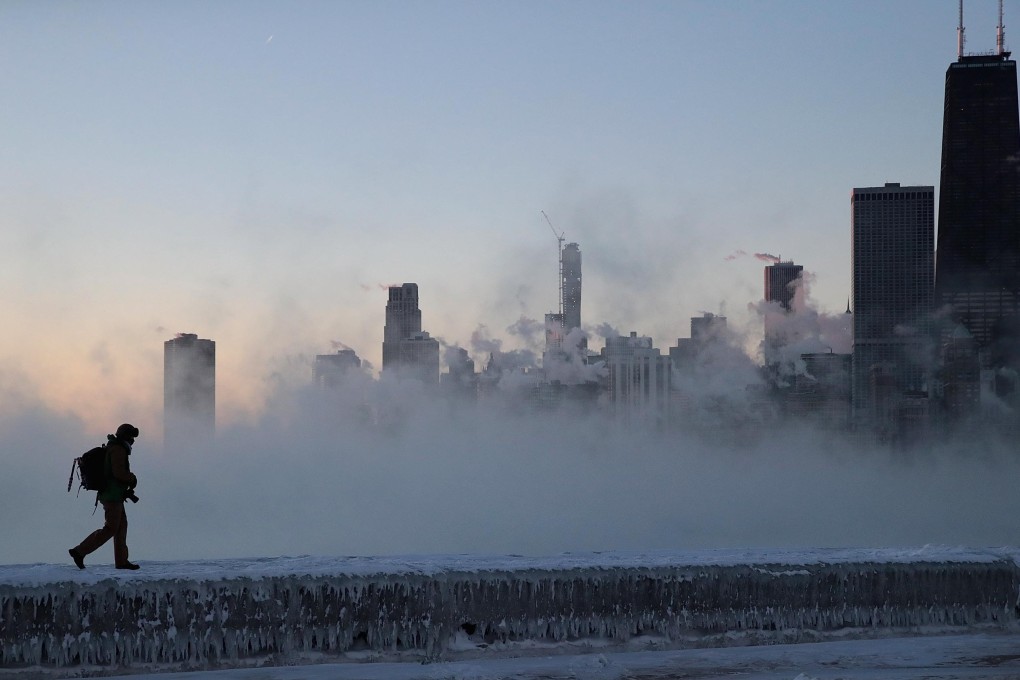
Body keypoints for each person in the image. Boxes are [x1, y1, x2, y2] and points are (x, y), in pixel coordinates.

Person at [69, 423, 141, 570]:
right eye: (131, 437)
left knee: (120, 527)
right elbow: (118, 472)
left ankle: (121, 562)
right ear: (125, 436)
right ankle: (79, 551)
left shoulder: (114, 448)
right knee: (110, 528)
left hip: (114, 494)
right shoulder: (118, 450)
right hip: (112, 495)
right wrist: (132, 478)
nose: (133, 440)